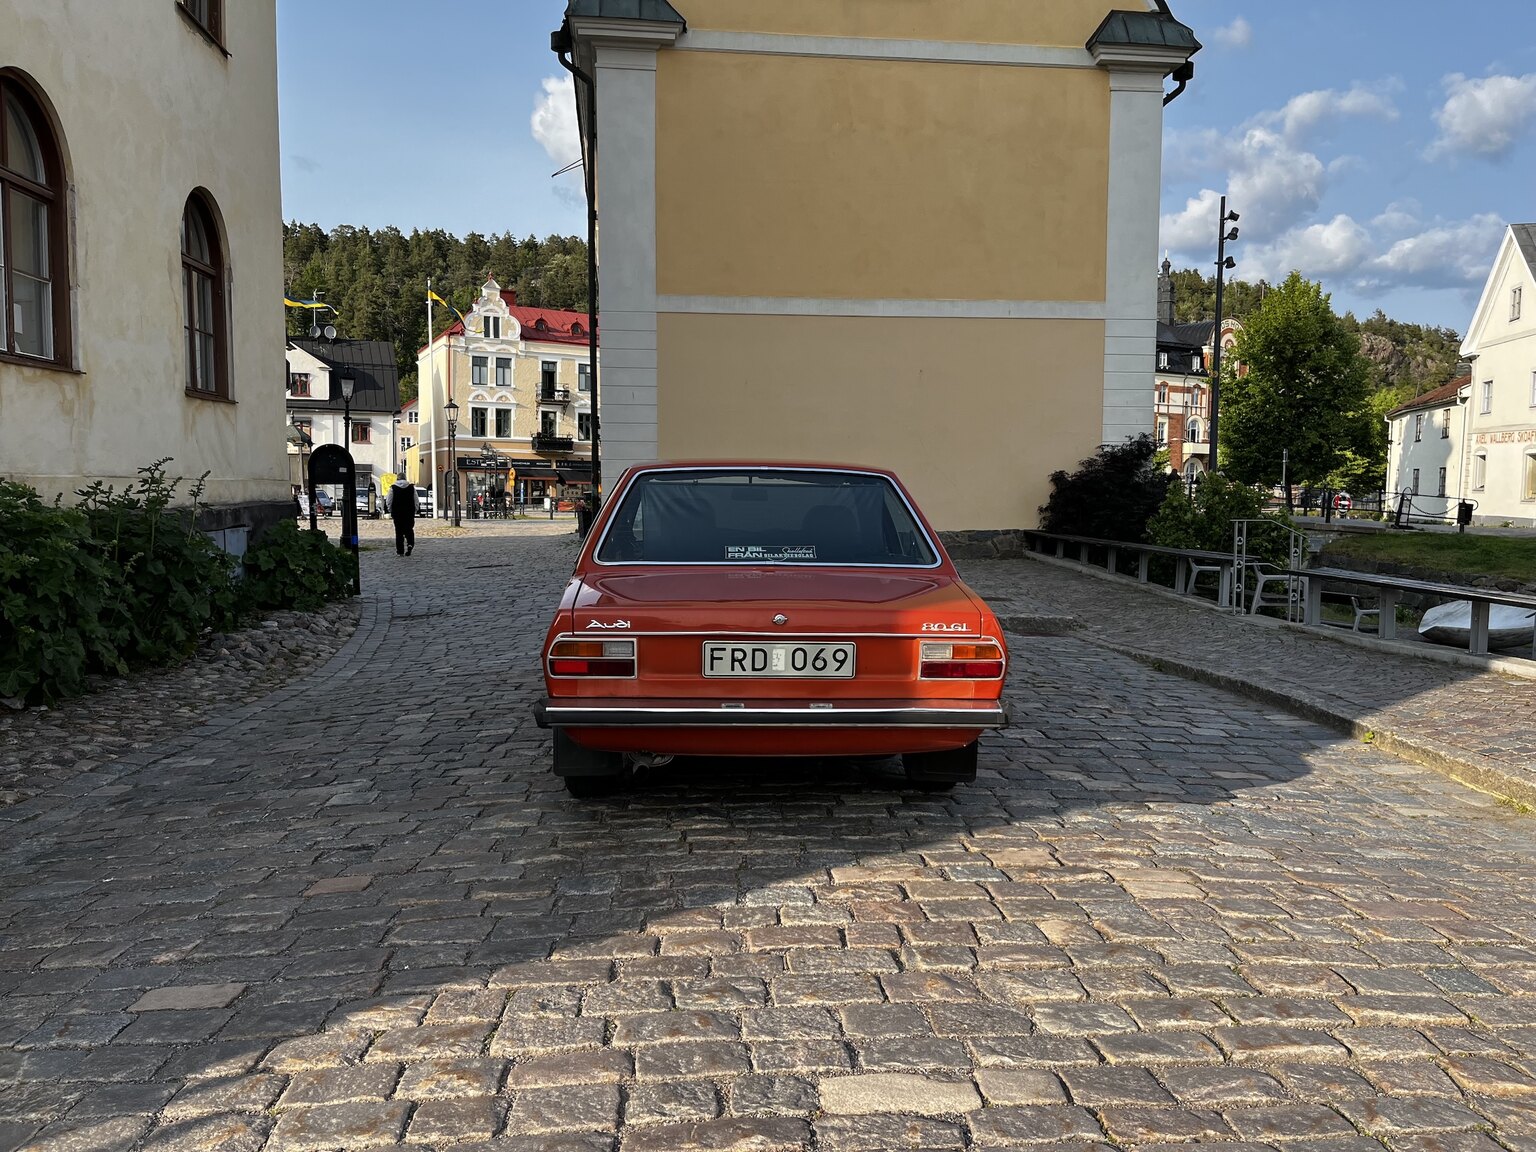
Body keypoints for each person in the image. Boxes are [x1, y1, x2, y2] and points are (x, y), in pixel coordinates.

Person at [389, 475, 416, 556]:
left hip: (397, 513)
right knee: (409, 529)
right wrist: (415, 510)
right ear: (405, 478)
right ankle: (410, 544)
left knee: (399, 532)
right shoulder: (411, 488)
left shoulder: (393, 488)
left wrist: (391, 510)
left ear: (397, 478)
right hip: (409, 513)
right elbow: (416, 500)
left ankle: (400, 551)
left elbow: (389, 501)